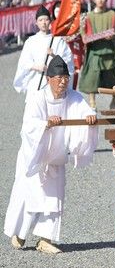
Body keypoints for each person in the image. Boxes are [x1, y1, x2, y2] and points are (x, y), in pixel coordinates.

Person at [4, 56, 98, 254]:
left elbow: (84, 109)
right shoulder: (37, 98)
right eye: (59, 78)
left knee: (54, 198)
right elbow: (28, 126)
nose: (63, 81)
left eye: (66, 77)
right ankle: (19, 233)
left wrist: (90, 116)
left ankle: (45, 239)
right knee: (29, 195)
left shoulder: (73, 96)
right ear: (49, 79)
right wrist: (45, 123)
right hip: (34, 157)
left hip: (56, 156)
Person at [13, 5, 74, 102]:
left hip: (54, 81)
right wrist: (36, 66)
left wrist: (54, 56)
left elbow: (68, 60)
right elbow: (23, 62)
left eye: (46, 20)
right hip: (36, 79)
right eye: (40, 20)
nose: (43, 23)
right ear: (36, 23)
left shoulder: (58, 40)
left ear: (50, 21)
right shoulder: (31, 41)